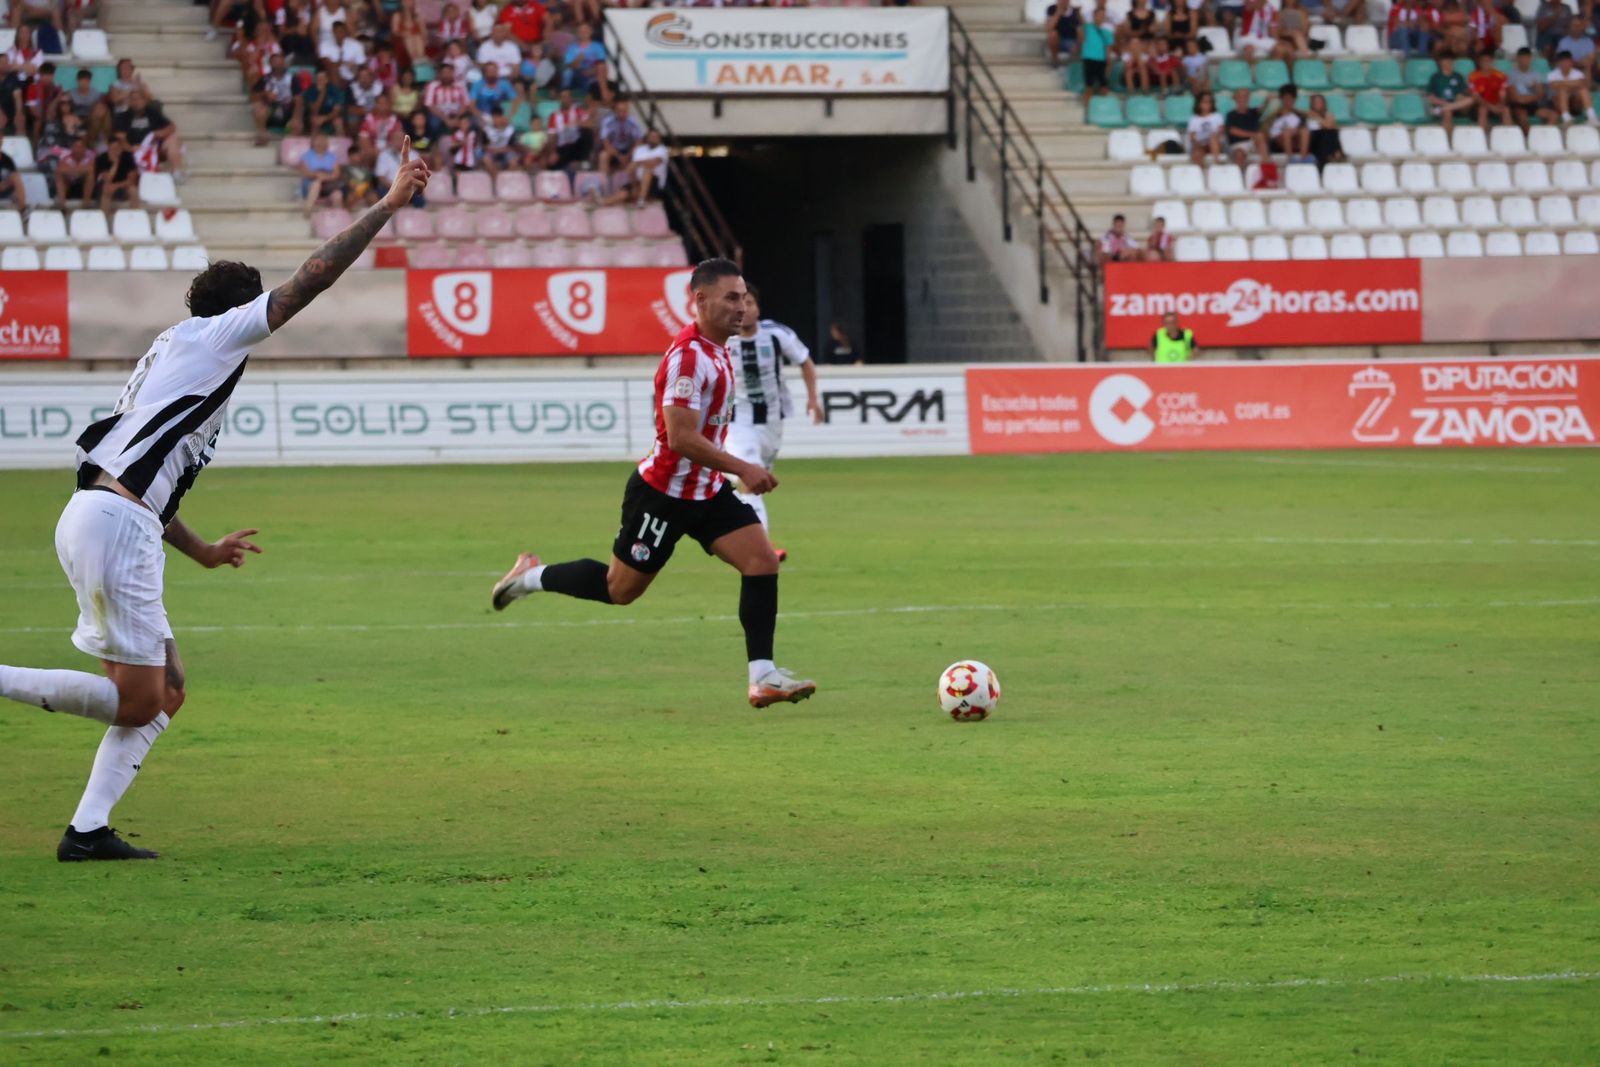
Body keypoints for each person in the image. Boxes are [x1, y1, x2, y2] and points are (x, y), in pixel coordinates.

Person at [0, 142, 430, 862]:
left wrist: (200, 548)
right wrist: (386, 206)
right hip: (114, 525)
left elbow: (140, 471)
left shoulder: (172, 350)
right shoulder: (218, 335)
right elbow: (309, 283)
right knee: (140, 698)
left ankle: (86, 831)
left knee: (165, 688)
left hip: (103, 515)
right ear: (241, 311)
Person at [489, 259, 818, 711]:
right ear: (700, 301)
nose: (742, 307)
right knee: (619, 590)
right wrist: (742, 467)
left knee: (761, 562)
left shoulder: (719, 348)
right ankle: (529, 577)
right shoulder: (688, 357)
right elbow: (680, 437)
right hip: (663, 495)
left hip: (705, 491)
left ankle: (763, 677)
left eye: (743, 297)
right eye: (731, 298)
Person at [723, 283, 823, 552]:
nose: (744, 309)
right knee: (750, 476)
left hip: (771, 420)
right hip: (737, 420)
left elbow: (805, 361)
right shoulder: (723, 339)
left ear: (757, 307)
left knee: (754, 479)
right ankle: (762, 546)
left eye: (750, 303)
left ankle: (725, 506)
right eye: (739, 303)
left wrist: (813, 397)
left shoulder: (777, 335)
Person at [251, 52, 299, 147]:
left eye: (280, 62)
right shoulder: (265, 79)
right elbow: (254, 96)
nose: (278, 65)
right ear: (271, 64)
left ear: (284, 63)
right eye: (275, 62)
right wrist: (265, 93)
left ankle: (288, 148)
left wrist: (297, 116)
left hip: (287, 110)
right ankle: (263, 136)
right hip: (272, 110)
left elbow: (299, 100)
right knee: (258, 109)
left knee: (297, 123)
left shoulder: (292, 79)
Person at [1425, 54, 1475, 131]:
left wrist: (1459, 97)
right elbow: (1430, 96)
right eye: (1446, 61)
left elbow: (1462, 93)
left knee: (1470, 100)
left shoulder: (1458, 76)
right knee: (1447, 112)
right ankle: (1449, 140)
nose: (1448, 63)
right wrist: (1444, 103)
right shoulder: (1435, 77)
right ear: (1441, 62)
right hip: (1442, 105)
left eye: (1450, 61)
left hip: (1457, 106)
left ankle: (1448, 107)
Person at [1506, 47, 1551, 131]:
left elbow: (1540, 93)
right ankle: (1529, 139)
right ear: (1517, 59)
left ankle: (1542, 137)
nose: (1524, 60)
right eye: (1522, 58)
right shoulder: (1512, 74)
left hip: (1532, 104)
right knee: (1523, 119)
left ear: (1530, 59)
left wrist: (1528, 98)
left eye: (1526, 58)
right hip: (1518, 106)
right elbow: (1514, 97)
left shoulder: (1535, 75)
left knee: (1553, 116)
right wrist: (1531, 97)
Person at [597, 98, 644, 177]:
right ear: (615, 111)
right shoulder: (608, 122)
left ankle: (628, 179)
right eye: (620, 111)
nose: (622, 114)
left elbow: (638, 141)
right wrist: (618, 156)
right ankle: (603, 182)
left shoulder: (632, 122)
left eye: (624, 111)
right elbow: (606, 143)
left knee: (638, 153)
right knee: (603, 155)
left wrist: (629, 154)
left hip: (628, 149)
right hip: (613, 150)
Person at [1547, 50, 1597, 122]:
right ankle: (1566, 118)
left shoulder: (1578, 73)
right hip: (1557, 103)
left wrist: (1561, 83)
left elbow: (1582, 84)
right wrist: (1573, 84)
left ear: (1571, 62)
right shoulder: (1552, 74)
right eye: (1563, 62)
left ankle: (1592, 116)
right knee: (1562, 91)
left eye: (1567, 61)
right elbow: (1553, 85)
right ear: (1558, 63)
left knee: (1583, 90)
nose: (1565, 64)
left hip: (1575, 103)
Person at [95, 132, 139, 213]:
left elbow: (132, 180)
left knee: (133, 190)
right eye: (113, 148)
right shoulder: (102, 158)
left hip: (122, 186)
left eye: (117, 148)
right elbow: (107, 179)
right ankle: (105, 217)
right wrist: (115, 164)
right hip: (105, 187)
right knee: (106, 188)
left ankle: (134, 217)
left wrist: (116, 186)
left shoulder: (128, 157)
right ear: (108, 148)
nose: (115, 151)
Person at [1079, 2, 1114, 100]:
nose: (1100, 17)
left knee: (1103, 85)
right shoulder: (1088, 27)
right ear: (1094, 16)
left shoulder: (1107, 32)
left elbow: (1108, 47)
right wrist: (1078, 12)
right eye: (1098, 15)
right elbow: (1081, 22)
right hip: (1089, 58)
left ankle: (1101, 108)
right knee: (1088, 85)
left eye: (1103, 15)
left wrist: (1108, 58)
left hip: (1101, 60)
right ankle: (1086, 110)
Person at [1468, 51, 1512, 128]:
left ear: (1493, 62)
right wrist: (1490, 106)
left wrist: (1500, 104)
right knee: (1483, 110)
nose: (1486, 63)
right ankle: (1481, 137)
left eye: (1488, 61)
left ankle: (1508, 135)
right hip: (1480, 106)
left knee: (1506, 110)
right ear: (1479, 62)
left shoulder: (1501, 75)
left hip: (1497, 104)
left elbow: (1503, 94)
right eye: (1483, 61)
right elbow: (1476, 97)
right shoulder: (1473, 76)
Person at [1224, 87, 1267, 164]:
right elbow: (1233, 131)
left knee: (1261, 136)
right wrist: (1253, 134)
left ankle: (1266, 167)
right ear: (1235, 99)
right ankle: (1238, 175)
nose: (1243, 99)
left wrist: (1267, 100)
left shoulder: (1253, 112)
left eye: (1245, 96)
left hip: (1253, 142)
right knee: (1239, 154)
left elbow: (1264, 107)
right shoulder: (1231, 115)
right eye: (1240, 96)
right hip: (1238, 144)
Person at [53, 132, 97, 208]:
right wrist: (80, 170)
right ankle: (62, 206)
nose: (78, 149)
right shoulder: (66, 156)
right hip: (70, 182)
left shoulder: (90, 155)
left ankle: (86, 205)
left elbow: (91, 169)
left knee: (90, 176)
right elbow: (60, 170)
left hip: (83, 182)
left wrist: (72, 170)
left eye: (81, 146)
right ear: (72, 148)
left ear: (85, 148)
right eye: (76, 146)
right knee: (60, 177)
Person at [1267, 83, 1309, 157]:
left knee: (1304, 131)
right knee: (1286, 132)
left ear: (1295, 99)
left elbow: (1303, 127)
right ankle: (1290, 159)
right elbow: (1270, 132)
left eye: (1291, 98)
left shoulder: (1300, 115)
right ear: (1281, 99)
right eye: (1286, 98)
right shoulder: (1274, 115)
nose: (1288, 101)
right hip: (1278, 141)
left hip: (1295, 140)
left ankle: (1303, 158)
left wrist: (1295, 130)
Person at [1187, 90, 1225, 164]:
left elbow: (1221, 132)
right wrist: (1198, 142)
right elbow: (1192, 136)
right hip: (1201, 144)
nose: (1207, 104)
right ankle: (1199, 172)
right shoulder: (1194, 119)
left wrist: (1211, 138)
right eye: (1205, 101)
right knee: (1197, 150)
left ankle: (1217, 164)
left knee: (1213, 138)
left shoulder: (1217, 116)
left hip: (1216, 143)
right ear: (1199, 103)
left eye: (1209, 101)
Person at [1306, 93, 1345, 165]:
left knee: (1330, 132)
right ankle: (1337, 152)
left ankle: (1332, 154)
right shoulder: (1308, 115)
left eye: (1319, 102)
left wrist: (1318, 118)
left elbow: (1329, 125)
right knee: (1327, 133)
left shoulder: (1328, 115)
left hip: (1324, 143)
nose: (1317, 104)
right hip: (1313, 141)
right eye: (1315, 102)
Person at [1045, 0, 1081, 67]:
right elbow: (1048, 28)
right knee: (1053, 34)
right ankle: (1055, 60)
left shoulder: (1074, 11)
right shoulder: (1052, 9)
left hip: (1071, 40)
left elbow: (1080, 27)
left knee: (1080, 33)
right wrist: (1058, 13)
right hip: (1058, 40)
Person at [0, 146, 27, 212]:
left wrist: (8, 183)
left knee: (16, 178)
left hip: (6, 191)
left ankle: (22, 211)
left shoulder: (7, 160)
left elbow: (15, 176)